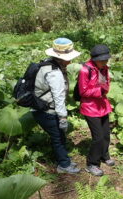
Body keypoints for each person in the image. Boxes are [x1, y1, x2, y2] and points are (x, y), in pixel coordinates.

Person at [32, 37, 81, 174]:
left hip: (41, 107)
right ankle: (64, 165)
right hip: (46, 110)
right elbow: (58, 97)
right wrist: (63, 118)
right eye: (68, 58)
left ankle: (64, 159)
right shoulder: (54, 73)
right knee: (58, 137)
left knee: (59, 136)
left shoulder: (47, 64)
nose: (70, 61)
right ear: (61, 58)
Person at [78, 44, 115, 176]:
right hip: (89, 107)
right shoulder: (85, 70)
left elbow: (106, 84)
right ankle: (92, 163)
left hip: (103, 105)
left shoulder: (104, 68)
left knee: (106, 134)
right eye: (102, 60)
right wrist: (99, 90)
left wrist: (104, 89)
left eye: (106, 60)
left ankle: (104, 155)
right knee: (98, 137)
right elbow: (83, 91)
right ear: (94, 59)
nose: (104, 62)